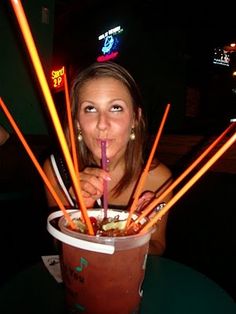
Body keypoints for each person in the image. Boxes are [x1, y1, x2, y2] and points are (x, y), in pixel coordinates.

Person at [43, 61, 173, 255]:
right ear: (77, 122)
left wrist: (138, 232)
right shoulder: (57, 170)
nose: (102, 124)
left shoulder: (158, 180)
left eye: (116, 108)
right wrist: (79, 214)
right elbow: (59, 247)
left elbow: (158, 246)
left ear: (135, 119)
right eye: (90, 109)